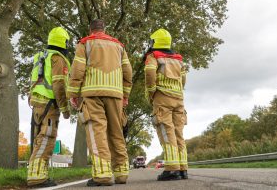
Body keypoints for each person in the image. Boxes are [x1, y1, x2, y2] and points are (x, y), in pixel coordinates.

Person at [68, 19, 132, 186]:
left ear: (91, 30)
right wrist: (125, 94)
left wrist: (74, 93)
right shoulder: (119, 45)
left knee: (97, 131)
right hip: (116, 94)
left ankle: (102, 175)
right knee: (116, 132)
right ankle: (121, 173)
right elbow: (128, 72)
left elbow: (77, 70)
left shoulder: (85, 43)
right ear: (104, 29)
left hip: (92, 93)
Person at [27, 27, 71, 188]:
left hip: (36, 102)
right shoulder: (57, 58)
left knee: (38, 137)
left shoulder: (40, 56)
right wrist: (65, 108)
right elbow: (59, 85)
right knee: (47, 138)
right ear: (64, 42)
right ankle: (37, 177)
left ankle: (36, 173)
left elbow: (34, 80)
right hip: (50, 104)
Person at [144, 29, 188, 181]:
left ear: (154, 42)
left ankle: (171, 170)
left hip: (162, 98)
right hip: (179, 99)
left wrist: (151, 92)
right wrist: (179, 91)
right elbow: (183, 80)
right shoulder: (178, 59)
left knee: (166, 132)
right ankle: (183, 169)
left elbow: (149, 74)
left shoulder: (153, 57)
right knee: (178, 134)